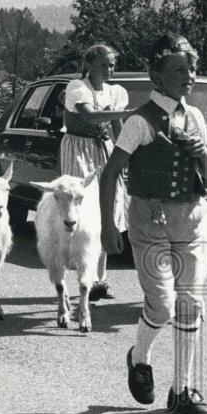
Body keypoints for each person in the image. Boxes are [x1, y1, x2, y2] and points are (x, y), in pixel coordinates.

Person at [100, 34, 207, 414]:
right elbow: (110, 174)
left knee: (191, 303)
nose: (189, 76)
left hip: (191, 220)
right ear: (157, 76)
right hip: (149, 220)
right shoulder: (140, 121)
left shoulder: (195, 116)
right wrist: (108, 226)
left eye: (192, 68)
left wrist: (202, 152)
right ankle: (139, 356)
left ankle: (181, 391)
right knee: (163, 304)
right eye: (179, 70)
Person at [60, 44, 133, 301]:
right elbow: (90, 117)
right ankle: (84, 273)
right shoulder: (77, 87)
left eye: (112, 65)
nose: (109, 69)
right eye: (103, 64)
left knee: (106, 209)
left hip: (104, 149)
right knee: (84, 206)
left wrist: (125, 155)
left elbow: (117, 126)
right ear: (89, 65)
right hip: (78, 149)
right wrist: (127, 112)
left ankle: (99, 279)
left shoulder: (115, 92)